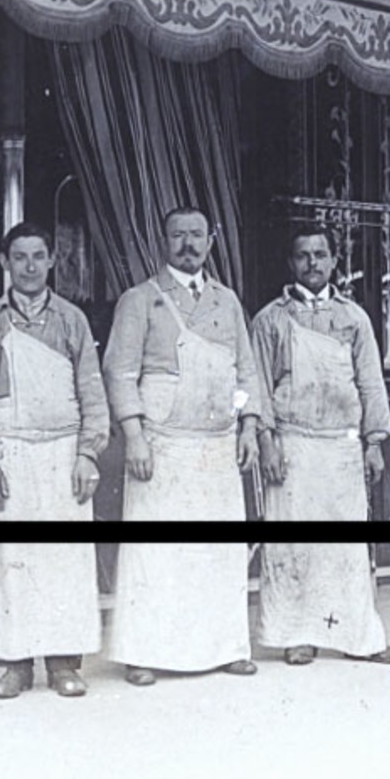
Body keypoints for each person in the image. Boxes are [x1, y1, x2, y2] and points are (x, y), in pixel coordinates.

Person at [102, 207, 263, 687]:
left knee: (217, 552)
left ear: (210, 241)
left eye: (196, 235)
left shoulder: (227, 302)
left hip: (216, 447)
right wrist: (134, 436)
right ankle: (143, 652)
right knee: (157, 553)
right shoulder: (140, 301)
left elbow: (246, 371)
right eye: (178, 235)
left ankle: (226, 647)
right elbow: (119, 372)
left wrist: (249, 427)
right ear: (163, 241)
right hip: (162, 447)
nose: (187, 244)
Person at [0, 222, 111, 700]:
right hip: (12, 455)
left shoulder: (72, 321)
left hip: (64, 455)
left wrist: (88, 453)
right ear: (5, 263)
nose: (28, 266)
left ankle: (64, 664)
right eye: (19, 257)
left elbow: (92, 391)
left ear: (51, 261)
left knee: (66, 560)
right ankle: (16, 666)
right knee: (14, 560)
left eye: (37, 256)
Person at [250, 225, 390, 666]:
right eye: (303, 256)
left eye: (321, 254)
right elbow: (258, 385)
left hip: (341, 447)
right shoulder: (270, 320)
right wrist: (267, 443)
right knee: (293, 543)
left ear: (334, 261)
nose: (313, 263)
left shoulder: (354, 318)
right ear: (290, 263)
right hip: (293, 446)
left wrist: (373, 442)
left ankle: (360, 638)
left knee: (346, 546)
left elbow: (371, 384)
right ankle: (296, 635)